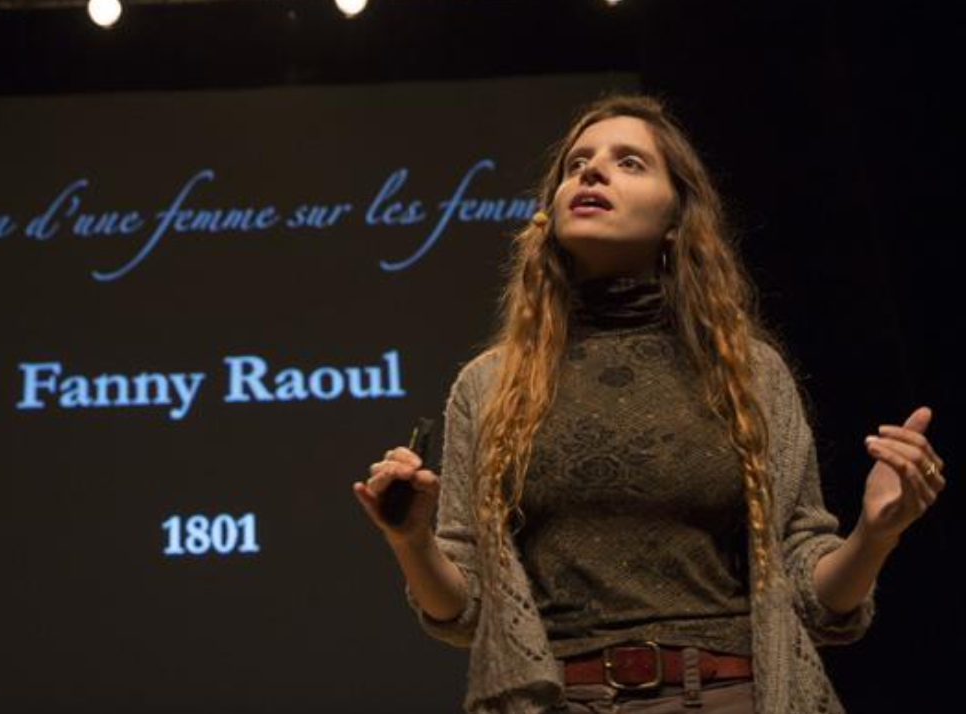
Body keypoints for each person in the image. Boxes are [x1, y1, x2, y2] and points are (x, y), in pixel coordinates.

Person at [351, 94, 946, 714]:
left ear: (675, 219)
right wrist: (412, 540)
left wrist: (878, 533)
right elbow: (465, 610)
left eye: (629, 162)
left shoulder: (748, 374)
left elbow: (813, 598)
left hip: (728, 695)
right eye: (577, 163)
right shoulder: (491, 384)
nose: (591, 171)